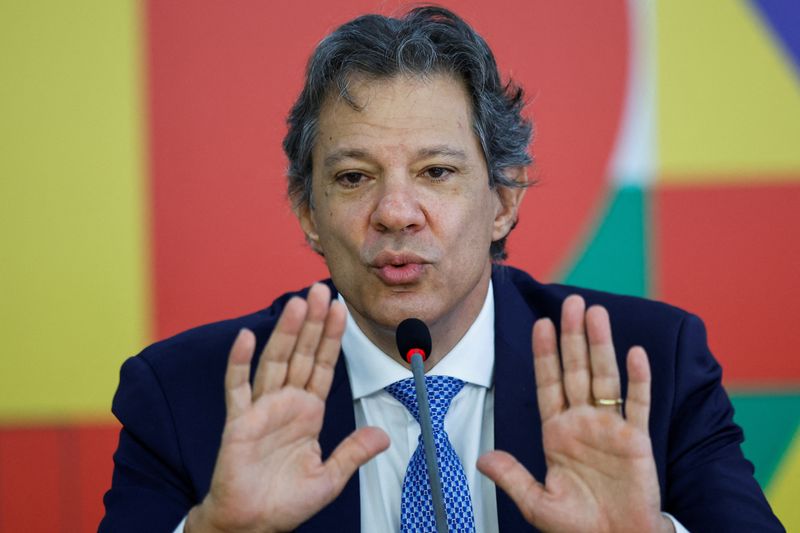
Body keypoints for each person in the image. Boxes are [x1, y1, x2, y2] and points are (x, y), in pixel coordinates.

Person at [100, 6, 783, 532]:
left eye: (436, 171)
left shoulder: (647, 368)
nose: (396, 211)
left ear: (503, 201)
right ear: (308, 212)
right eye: (353, 175)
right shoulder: (187, 396)